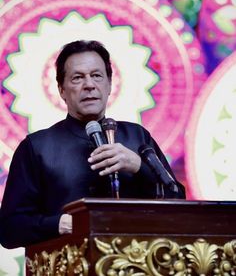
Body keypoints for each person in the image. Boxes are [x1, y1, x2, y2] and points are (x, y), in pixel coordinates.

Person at [0, 40, 185, 249]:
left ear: (109, 85)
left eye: (97, 76)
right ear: (61, 89)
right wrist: (57, 224)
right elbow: (9, 229)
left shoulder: (137, 137)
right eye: (78, 78)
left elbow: (177, 200)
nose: (89, 85)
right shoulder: (36, 147)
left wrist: (138, 167)